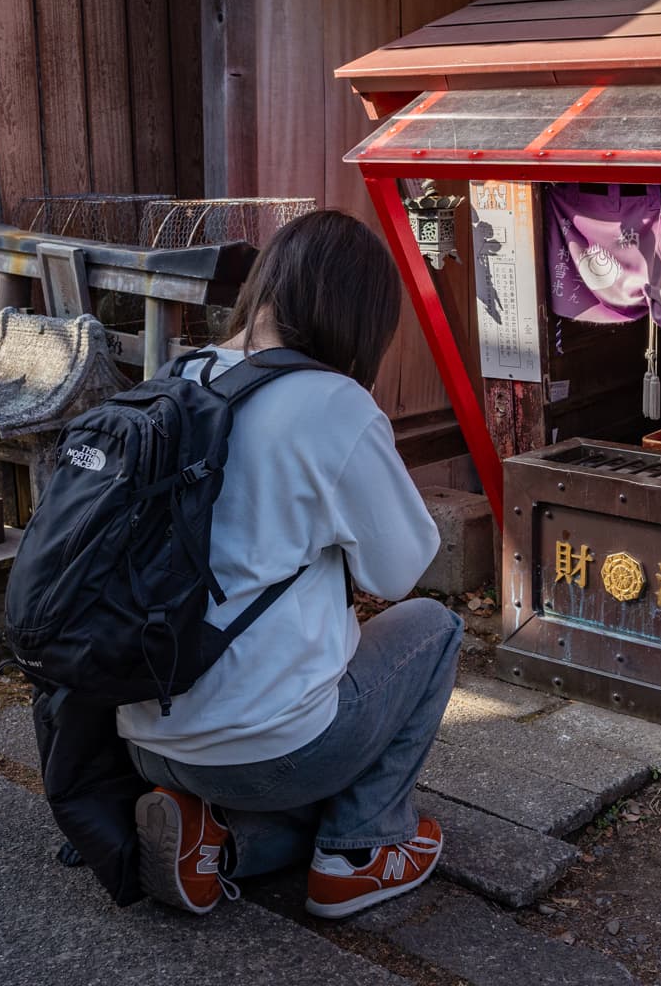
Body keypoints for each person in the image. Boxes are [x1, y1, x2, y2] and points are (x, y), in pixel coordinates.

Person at [116, 209, 459, 919]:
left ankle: (215, 846)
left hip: (145, 735)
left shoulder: (181, 376)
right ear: (359, 317)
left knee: (292, 772)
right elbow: (398, 575)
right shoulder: (332, 404)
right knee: (435, 629)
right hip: (272, 752)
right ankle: (360, 850)